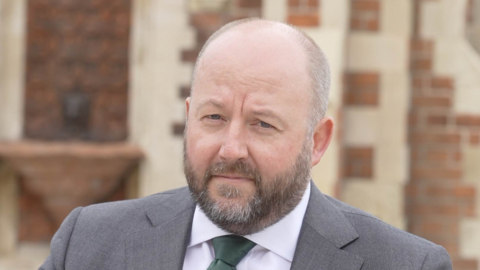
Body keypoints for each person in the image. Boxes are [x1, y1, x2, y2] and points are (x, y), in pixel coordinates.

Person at [40, 18, 452, 270]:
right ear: (189, 118)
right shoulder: (89, 243)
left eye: (262, 124)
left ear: (318, 141)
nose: (231, 148)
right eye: (214, 118)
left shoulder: (406, 265)